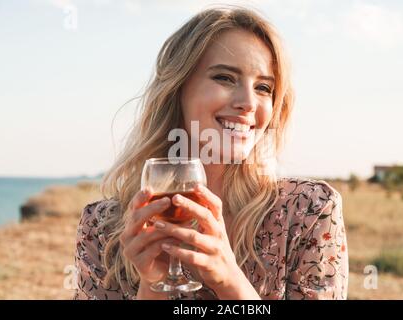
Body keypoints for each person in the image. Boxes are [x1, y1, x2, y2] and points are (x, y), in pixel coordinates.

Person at [74, 6, 348, 300]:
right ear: (178, 88)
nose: (248, 103)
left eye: (264, 87)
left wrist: (230, 281)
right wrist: (153, 286)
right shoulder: (103, 229)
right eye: (225, 78)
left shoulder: (308, 212)